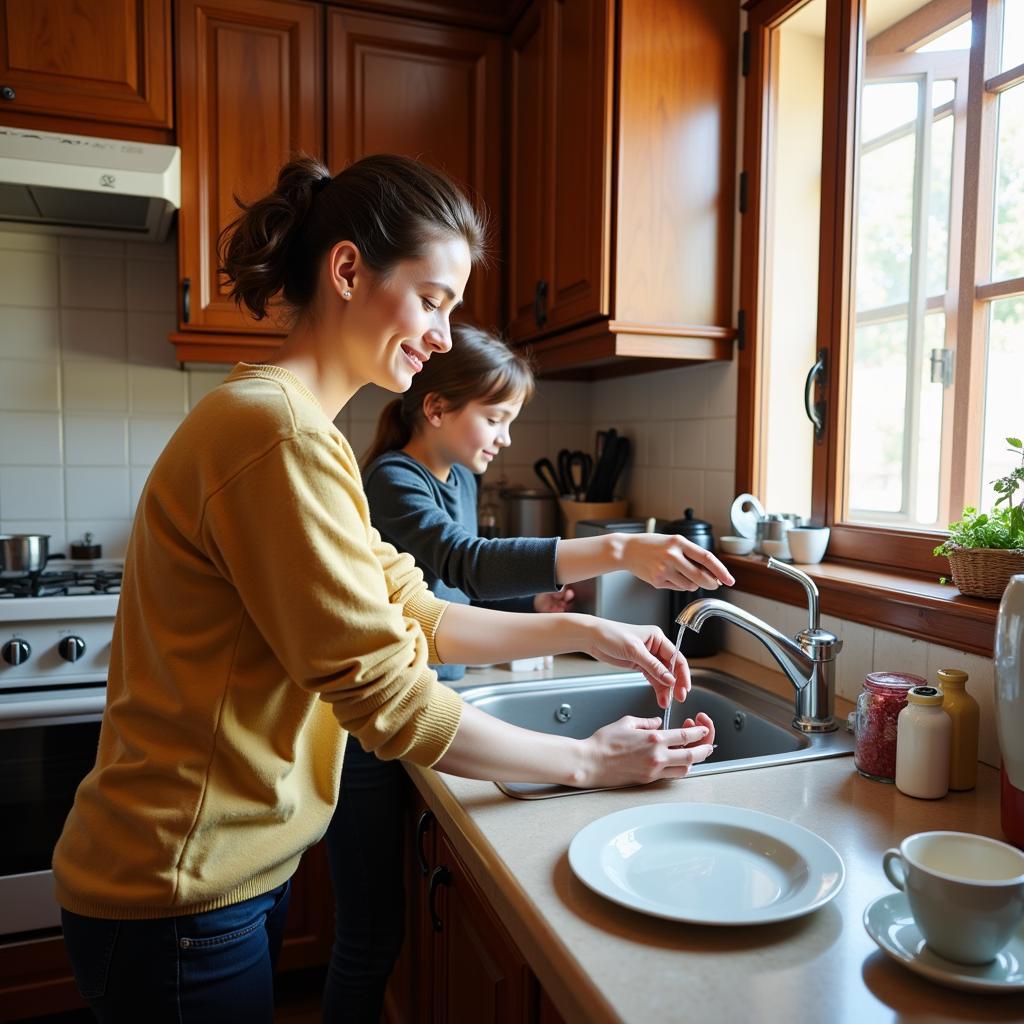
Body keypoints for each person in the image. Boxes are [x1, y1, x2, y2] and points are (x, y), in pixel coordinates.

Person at [52, 153, 719, 1024]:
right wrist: (588, 762)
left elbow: (419, 610)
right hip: (180, 881)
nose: (444, 336)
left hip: (216, 872)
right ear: (346, 270)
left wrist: (588, 636)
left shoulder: (297, 429)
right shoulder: (278, 434)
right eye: (434, 300)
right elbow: (388, 693)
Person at [324, 322, 732, 1021]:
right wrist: (616, 549)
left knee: (381, 929)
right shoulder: (394, 477)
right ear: (437, 409)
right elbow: (464, 561)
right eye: (496, 416)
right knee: (370, 934)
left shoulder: (449, 476)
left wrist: (534, 600)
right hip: (368, 734)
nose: (506, 436)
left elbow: (450, 584)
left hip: (430, 691)